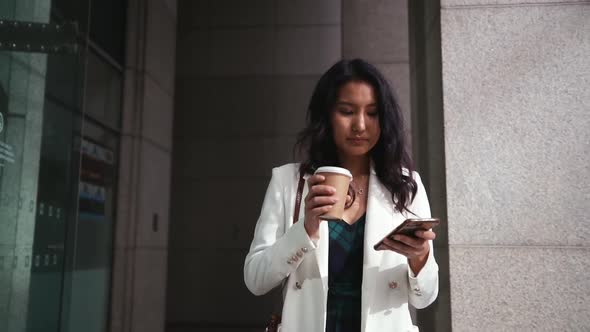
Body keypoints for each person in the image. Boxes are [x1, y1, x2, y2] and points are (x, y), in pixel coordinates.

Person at [244, 59, 439, 332]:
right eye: (347, 111)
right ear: (327, 116)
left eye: (372, 113)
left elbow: (425, 298)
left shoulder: (405, 185)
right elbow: (256, 279)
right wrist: (305, 230)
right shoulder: (289, 182)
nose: (360, 125)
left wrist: (419, 258)